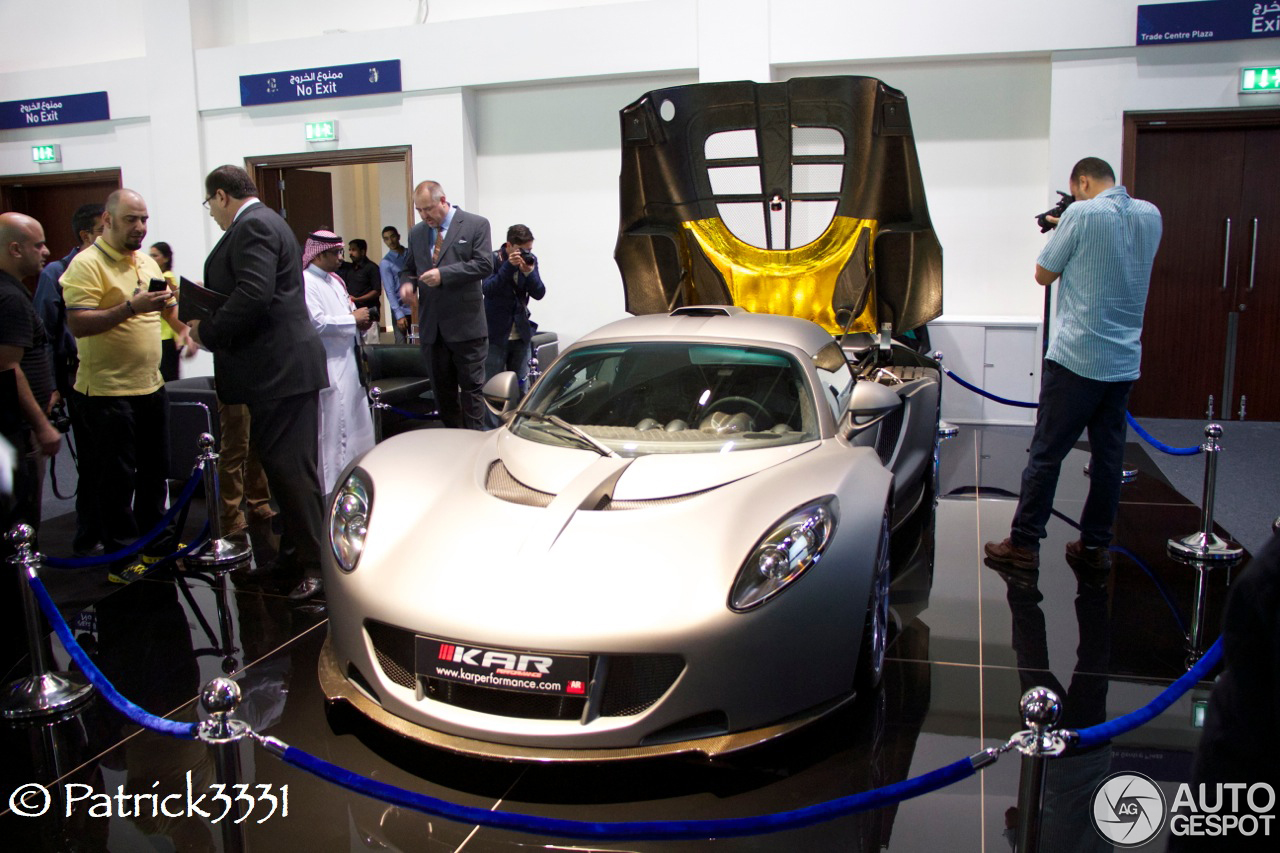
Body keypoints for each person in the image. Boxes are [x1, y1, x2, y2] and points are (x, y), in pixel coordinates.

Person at [984, 158, 1162, 573]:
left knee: (1046, 454)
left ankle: (1024, 544)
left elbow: (1043, 275)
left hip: (1078, 358)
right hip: (1123, 361)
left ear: (1082, 182)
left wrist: (1064, 221)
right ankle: (1096, 545)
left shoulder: (1080, 214)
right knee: (1108, 459)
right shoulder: (1151, 214)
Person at [189, 165, 329, 602]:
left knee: (292, 471)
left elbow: (253, 294)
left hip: (280, 370)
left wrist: (206, 332)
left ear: (221, 195)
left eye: (210, 204)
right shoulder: (262, 223)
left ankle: (316, 567)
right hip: (274, 370)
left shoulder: (253, 226)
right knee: (281, 471)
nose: (211, 213)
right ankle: (291, 558)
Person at [61, 190, 189, 583]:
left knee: (155, 471)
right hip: (106, 393)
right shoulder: (86, 265)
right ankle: (122, 556)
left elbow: (164, 304)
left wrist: (183, 327)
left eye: (144, 219)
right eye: (131, 219)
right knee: (116, 479)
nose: (140, 227)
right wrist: (131, 307)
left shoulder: (145, 259)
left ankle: (156, 543)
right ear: (107, 220)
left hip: (150, 386)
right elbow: (79, 323)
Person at [0, 212, 60, 679]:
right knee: (18, 520)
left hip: (18, 430)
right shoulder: (9, 298)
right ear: (15, 248)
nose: (46, 253)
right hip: (14, 434)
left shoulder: (14, 292)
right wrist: (41, 423)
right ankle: (20, 609)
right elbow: (8, 369)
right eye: (38, 246)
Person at [33, 202, 104, 555]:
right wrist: (50, 389)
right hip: (76, 380)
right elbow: (42, 336)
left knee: (116, 458)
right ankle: (88, 535)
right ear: (86, 235)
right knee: (91, 462)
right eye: (105, 227)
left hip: (113, 378)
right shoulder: (55, 274)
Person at [398, 181, 493, 430]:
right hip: (432, 329)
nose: (425, 215)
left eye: (428, 209)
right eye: (419, 210)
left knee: (472, 394)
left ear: (443, 201)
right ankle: (453, 445)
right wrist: (407, 284)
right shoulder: (416, 233)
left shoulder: (475, 224)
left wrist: (444, 274)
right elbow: (408, 268)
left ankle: (475, 446)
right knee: (443, 395)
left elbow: (484, 265)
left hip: (466, 327)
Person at [301, 230, 376, 494]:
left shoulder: (335, 281)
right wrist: (352, 320)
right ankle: (331, 487)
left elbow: (348, 315)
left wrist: (361, 323)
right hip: (328, 364)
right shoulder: (306, 281)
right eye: (336, 253)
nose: (341, 258)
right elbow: (316, 323)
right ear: (320, 254)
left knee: (355, 420)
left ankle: (358, 477)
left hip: (350, 361)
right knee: (333, 426)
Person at [483, 223, 546, 387]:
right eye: (521, 250)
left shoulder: (530, 260)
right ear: (509, 245)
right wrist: (508, 267)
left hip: (521, 333)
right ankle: (493, 415)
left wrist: (529, 273)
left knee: (521, 387)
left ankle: (517, 414)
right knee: (492, 387)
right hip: (495, 335)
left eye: (529, 250)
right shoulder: (492, 258)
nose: (526, 253)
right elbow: (487, 289)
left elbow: (539, 293)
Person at [147, 242, 195, 381]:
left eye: (155, 255)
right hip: (163, 333)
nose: (152, 258)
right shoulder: (160, 275)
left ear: (166, 258)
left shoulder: (165, 276)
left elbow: (178, 298)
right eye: (150, 255)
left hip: (167, 334)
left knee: (168, 377)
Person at [338, 238, 382, 338]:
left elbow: (377, 291)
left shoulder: (372, 268)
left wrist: (357, 299)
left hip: (369, 314)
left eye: (354, 250)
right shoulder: (349, 268)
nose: (350, 253)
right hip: (354, 315)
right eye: (349, 249)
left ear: (362, 251)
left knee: (370, 347)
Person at [379, 226, 412, 343]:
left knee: (420, 343)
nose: (391, 241)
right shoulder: (385, 263)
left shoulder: (410, 254)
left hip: (416, 307)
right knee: (401, 345)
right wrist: (399, 314)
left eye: (392, 237)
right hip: (401, 309)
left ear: (398, 236)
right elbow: (389, 290)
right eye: (386, 239)